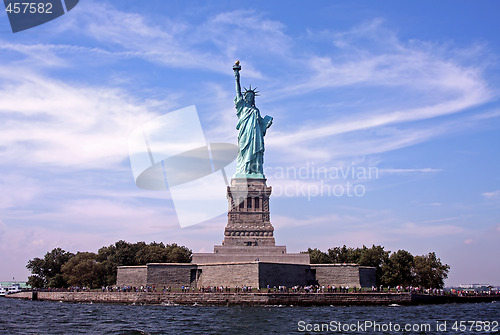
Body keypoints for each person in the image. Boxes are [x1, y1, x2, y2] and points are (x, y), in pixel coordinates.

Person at [233, 61, 273, 177]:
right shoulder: (242, 106)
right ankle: (244, 171)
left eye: (252, 96)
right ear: (245, 97)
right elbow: (238, 92)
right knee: (244, 151)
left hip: (256, 134)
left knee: (256, 152)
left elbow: (261, 124)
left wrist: (266, 123)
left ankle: (255, 171)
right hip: (245, 134)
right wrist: (237, 76)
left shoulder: (256, 110)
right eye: (248, 96)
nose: (250, 97)